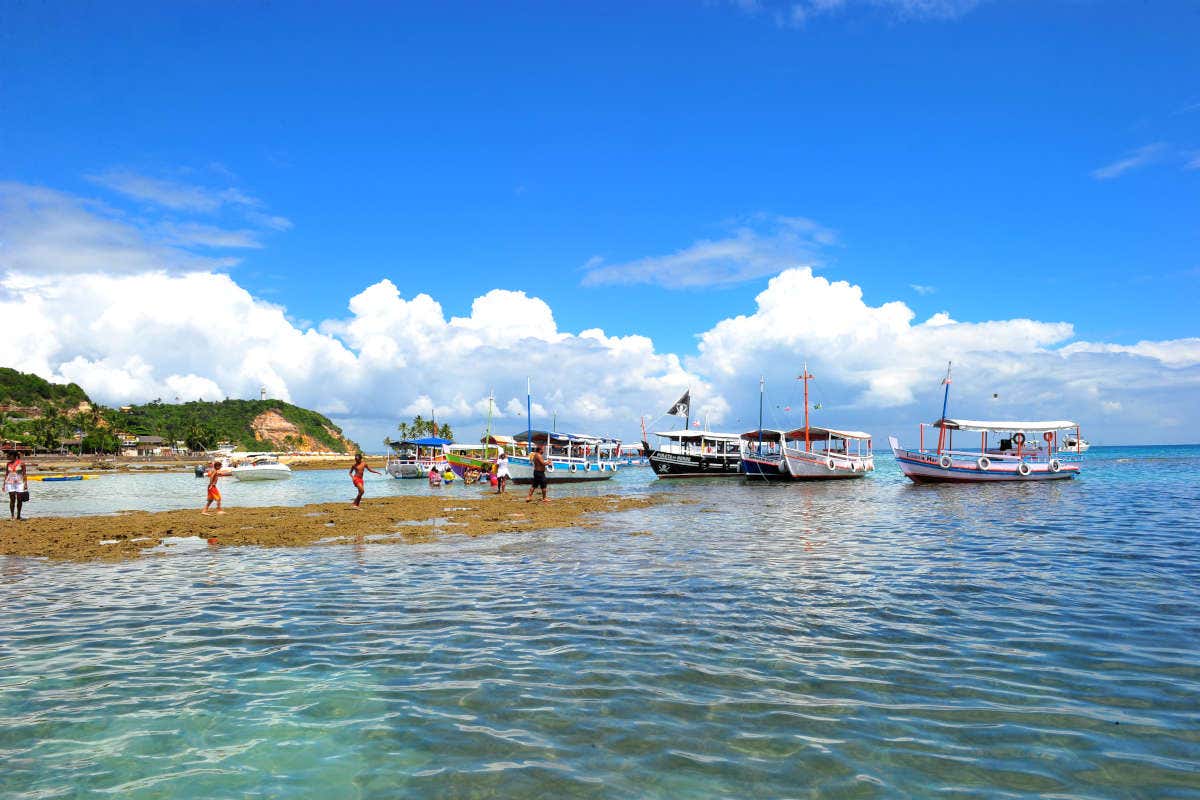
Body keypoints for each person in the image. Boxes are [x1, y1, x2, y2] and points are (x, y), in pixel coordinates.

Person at [5, 450, 28, 521]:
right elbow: (7, 474)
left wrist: (25, 484)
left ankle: (18, 516)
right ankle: (12, 516)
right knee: (12, 499)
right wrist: (4, 484)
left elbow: (24, 474)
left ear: (13, 455)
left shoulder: (22, 463)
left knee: (19, 499)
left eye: (9, 455)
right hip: (10, 483)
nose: (7, 457)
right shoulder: (8, 464)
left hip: (19, 483)